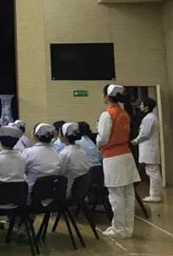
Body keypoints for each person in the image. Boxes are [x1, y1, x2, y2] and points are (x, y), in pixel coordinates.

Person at [97, 84, 140, 238]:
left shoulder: (107, 114)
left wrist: (98, 141)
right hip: (126, 155)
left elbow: (103, 138)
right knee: (128, 194)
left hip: (113, 157)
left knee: (116, 195)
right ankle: (128, 228)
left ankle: (118, 229)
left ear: (107, 96)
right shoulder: (124, 113)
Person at [131, 97, 162, 203]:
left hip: (149, 148)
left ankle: (155, 194)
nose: (140, 106)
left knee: (152, 171)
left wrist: (134, 142)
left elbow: (144, 134)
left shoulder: (149, 118)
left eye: (142, 104)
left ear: (147, 107)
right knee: (153, 171)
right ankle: (156, 193)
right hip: (150, 148)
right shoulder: (151, 117)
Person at [22, 123, 60, 191]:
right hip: (51, 192)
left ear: (35, 135)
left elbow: (20, 172)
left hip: (31, 193)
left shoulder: (28, 153)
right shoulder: (56, 153)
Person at [58, 122, 89, 198]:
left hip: (69, 190)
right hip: (82, 189)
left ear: (64, 136)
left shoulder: (65, 153)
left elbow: (60, 172)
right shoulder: (81, 149)